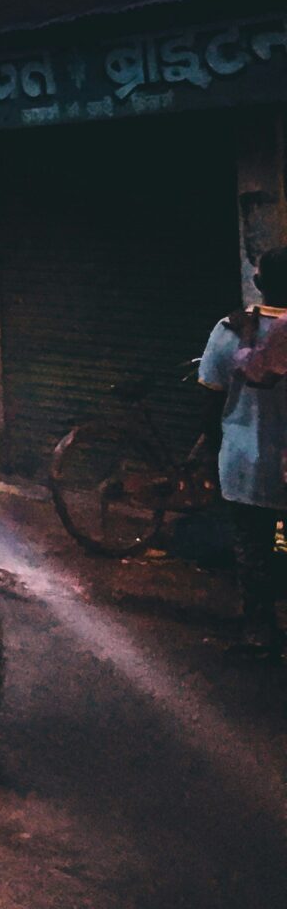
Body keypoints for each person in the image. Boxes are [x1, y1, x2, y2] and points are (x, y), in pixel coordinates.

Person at [198, 246, 287, 659]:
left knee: (253, 550)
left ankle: (259, 632)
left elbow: (210, 397)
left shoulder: (230, 329)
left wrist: (211, 455)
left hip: (244, 464)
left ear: (260, 282)